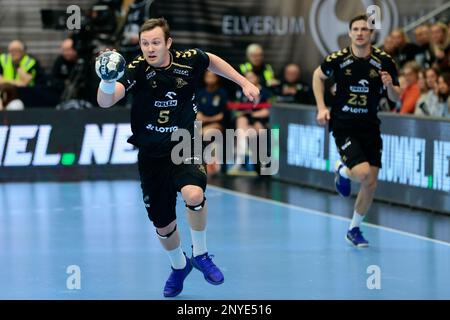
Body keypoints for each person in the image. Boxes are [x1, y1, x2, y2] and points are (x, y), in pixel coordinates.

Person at [96, 18, 260, 297]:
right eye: (145, 43)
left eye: (156, 42)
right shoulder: (136, 69)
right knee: (163, 224)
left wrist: (244, 82)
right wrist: (107, 80)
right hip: (151, 154)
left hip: (184, 142)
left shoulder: (189, 60)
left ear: (168, 43)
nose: (150, 48)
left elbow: (212, 60)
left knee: (194, 194)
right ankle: (179, 266)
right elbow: (105, 102)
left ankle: (201, 253)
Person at [312, 14, 400, 247]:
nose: (360, 33)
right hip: (344, 124)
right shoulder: (338, 59)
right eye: (356, 29)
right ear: (350, 33)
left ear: (371, 34)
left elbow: (396, 98)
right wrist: (322, 108)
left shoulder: (384, 61)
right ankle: (342, 169)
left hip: (370, 125)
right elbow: (317, 76)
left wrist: (390, 85)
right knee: (362, 174)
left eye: (365, 29)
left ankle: (354, 229)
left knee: (371, 183)